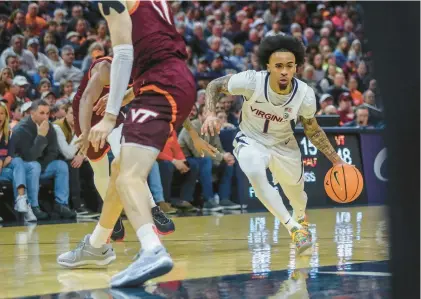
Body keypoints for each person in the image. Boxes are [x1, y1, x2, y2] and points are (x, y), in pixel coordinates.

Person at [58, 0, 217, 288]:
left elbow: (123, 54)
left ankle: (151, 250)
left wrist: (108, 116)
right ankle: (96, 246)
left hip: (161, 84)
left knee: (129, 177)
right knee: (119, 168)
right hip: (175, 82)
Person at [201, 35, 346, 254]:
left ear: (296, 67)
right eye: (278, 66)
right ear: (268, 66)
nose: (284, 71)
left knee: (297, 196)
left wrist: (337, 161)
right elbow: (214, 85)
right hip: (251, 139)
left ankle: (300, 219)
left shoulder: (305, 95)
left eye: (289, 66)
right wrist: (211, 113)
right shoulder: (252, 81)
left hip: (284, 145)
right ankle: (293, 228)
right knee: (254, 170)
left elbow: (312, 129)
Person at [71, 55, 175, 240]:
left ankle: (152, 209)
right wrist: (85, 133)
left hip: (112, 114)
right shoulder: (105, 68)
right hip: (86, 115)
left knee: (128, 159)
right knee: (101, 170)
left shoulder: (143, 73)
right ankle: (112, 215)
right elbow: (87, 98)